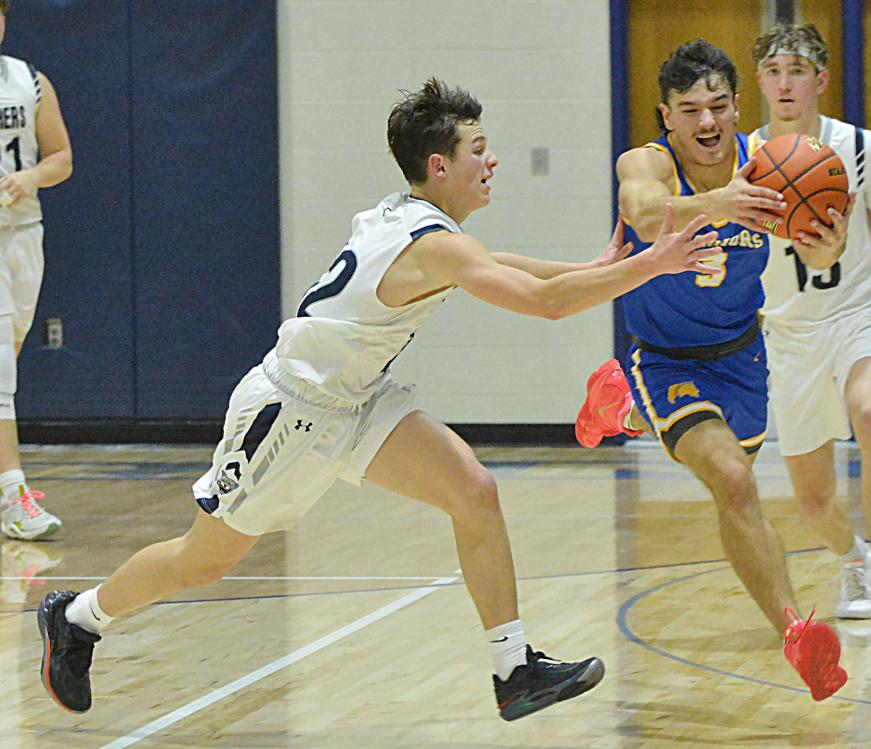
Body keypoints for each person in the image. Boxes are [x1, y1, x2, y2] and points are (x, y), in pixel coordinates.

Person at [37, 78, 722, 719]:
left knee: (474, 490)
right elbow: (540, 304)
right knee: (203, 559)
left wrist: (596, 269)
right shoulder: (430, 241)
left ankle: (514, 671)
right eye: (479, 151)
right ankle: (78, 617)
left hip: (357, 399)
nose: (493, 161)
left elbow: (500, 265)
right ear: (440, 164)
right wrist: (650, 264)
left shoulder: (417, 219)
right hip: (290, 412)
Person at [574, 39, 852, 700]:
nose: (706, 122)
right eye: (689, 109)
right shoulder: (648, 162)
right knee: (732, 480)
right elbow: (643, 209)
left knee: (736, 477)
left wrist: (827, 243)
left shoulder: (774, 166)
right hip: (665, 353)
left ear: (736, 109)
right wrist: (716, 205)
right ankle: (797, 631)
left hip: (742, 359)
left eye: (719, 106)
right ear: (666, 116)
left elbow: (814, 258)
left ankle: (620, 408)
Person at [751, 23, 871, 638]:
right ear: (761, 83)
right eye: (772, 71)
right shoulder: (745, 159)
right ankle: (855, 559)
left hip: (859, 316)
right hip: (789, 334)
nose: (784, 82)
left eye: (796, 69)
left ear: (820, 80)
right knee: (813, 503)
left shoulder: (860, 148)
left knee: (870, 412)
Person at [0, 0, 72, 541]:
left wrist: (31, 179)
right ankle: (13, 493)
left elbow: (62, 157)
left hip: (24, 236)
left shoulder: (30, 81)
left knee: (11, 352)